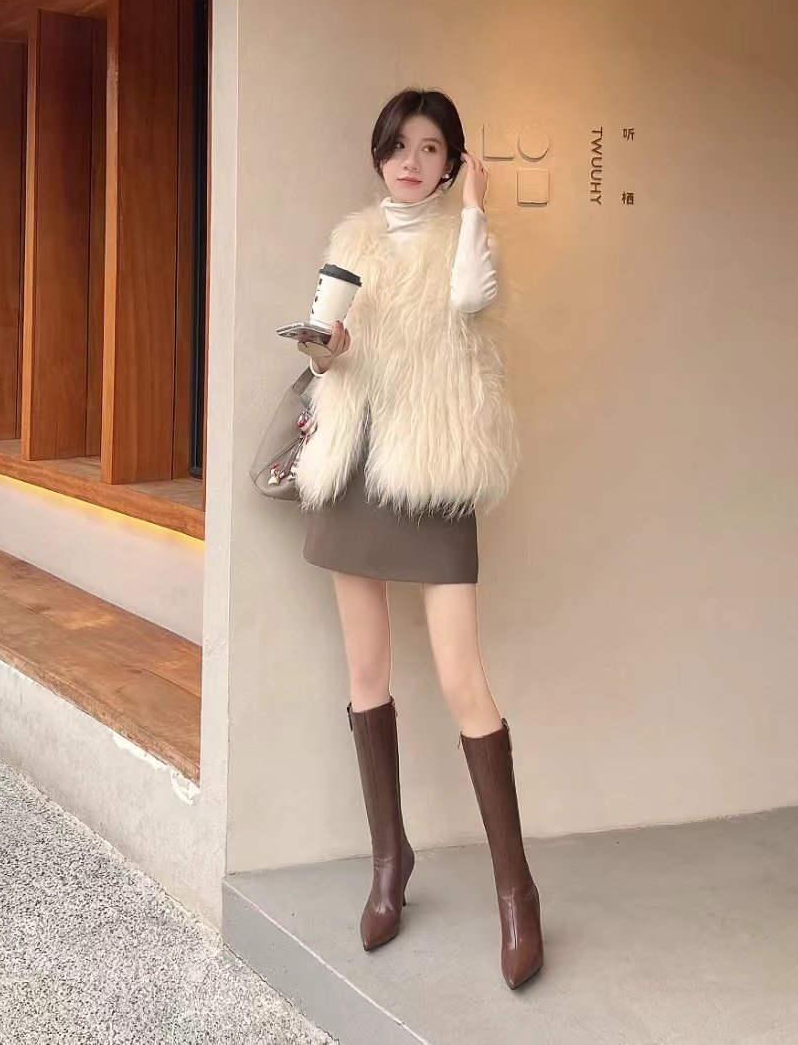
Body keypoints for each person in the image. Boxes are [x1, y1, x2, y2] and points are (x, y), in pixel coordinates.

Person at [293, 88, 543, 990]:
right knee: (366, 675)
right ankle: (388, 861)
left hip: (434, 470)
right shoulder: (352, 238)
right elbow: (329, 353)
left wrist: (474, 208)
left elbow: (472, 298)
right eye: (399, 145)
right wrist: (324, 349)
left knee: (462, 677)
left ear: (451, 162)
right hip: (355, 470)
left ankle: (516, 891)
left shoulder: (464, 240)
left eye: (430, 148)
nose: (410, 161)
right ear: (379, 154)